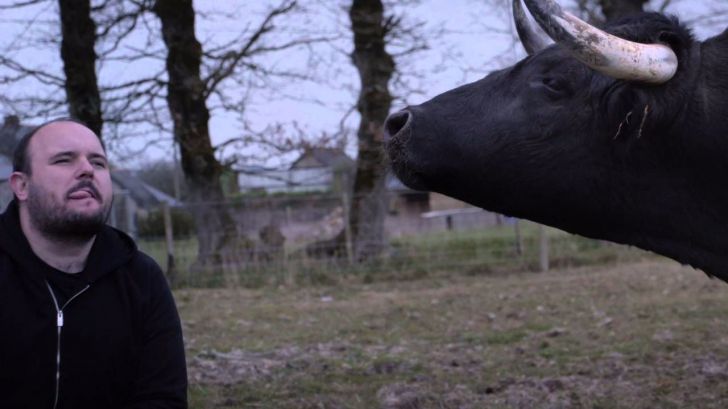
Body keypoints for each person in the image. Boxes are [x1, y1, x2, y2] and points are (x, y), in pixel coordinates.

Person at [0, 118, 187, 408]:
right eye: (64, 160)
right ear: (22, 185)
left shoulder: (140, 278)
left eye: (98, 163)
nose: (87, 169)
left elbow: (162, 398)